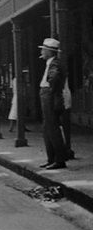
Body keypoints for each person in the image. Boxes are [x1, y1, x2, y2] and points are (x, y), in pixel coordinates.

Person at [37, 38, 68, 170]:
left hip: (50, 96)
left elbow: (54, 78)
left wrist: (51, 90)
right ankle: (52, 159)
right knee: (47, 128)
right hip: (48, 95)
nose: (42, 52)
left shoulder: (54, 64)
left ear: (49, 51)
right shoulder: (52, 63)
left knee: (53, 129)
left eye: (43, 50)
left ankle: (59, 160)